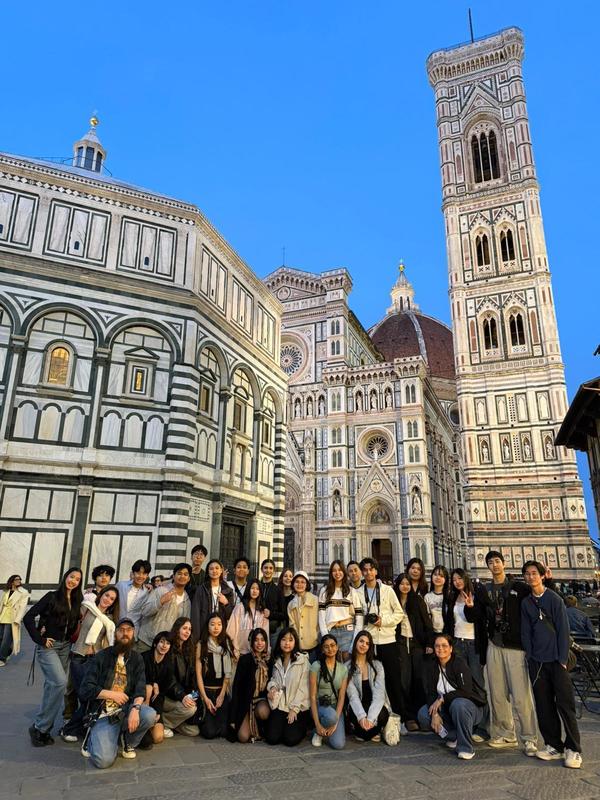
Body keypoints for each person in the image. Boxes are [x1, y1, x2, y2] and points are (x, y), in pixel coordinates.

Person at [521, 560, 582, 768]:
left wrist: (563, 659)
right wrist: (530, 656)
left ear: (542, 575)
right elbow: (526, 632)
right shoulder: (527, 603)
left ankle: (573, 749)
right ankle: (553, 745)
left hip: (557, 661)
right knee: (544, 706)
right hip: (537, 662)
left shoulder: (554, 599)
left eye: (533, 573)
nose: (530, 577)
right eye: (527, 574)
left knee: (565, 705)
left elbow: (564, 631)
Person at [480, 550, 538, 755]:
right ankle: (506, 734)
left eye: (497, 561)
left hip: (515, 647)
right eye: (490, 562)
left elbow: (537, 598)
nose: (494, 565)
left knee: (521, 695)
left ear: (504, 564)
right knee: (497, 693)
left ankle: (530, 737)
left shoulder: (519, 588)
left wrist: (546, 581)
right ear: (487, 566)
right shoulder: (484, 589)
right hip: (494, 645)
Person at [79, 617, 157, 768]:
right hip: (104, 712)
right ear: (115, 634)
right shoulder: (102, 656)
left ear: (133, 634)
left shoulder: (136, 658)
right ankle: (93, 737)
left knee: (149, 715)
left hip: (126, 709)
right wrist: (112, 694)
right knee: (103, 761)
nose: (125, 634)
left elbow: (140, 688)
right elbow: (85, 688)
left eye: (129, 631)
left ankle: (127, 740)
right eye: (121, 631)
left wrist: (135, 708)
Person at [24, 568, 83, 746]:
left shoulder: (77, 600)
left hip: (65, 647)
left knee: (52, 686)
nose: (73, 581)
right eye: (71, 577)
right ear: (65, 577)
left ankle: (41, 728)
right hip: (48, 646)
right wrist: (39, 638)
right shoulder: (51, 596)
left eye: (77, 579)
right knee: (59, 683)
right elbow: (28, 617)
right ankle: (41, 727)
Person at [61, 584, 120, 741]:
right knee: (83, 694)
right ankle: (69, 727)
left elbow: (108, 642)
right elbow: (68, 619)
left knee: (89, 696)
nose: (108, 600)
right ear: (101, 595)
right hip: (79, 656)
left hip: (95, 659)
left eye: (112, 599)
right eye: (107, 596)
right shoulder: (86, 608)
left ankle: (76, 727)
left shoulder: (110, 621)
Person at [418, 633, 487, 760]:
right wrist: (435, 714)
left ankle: (466, 748)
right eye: (437, 646)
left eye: (444, 645)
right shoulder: (431, 666)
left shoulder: (459, 664)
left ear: (451, 648)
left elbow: (465, 692)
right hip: (446, 710)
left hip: (468, 708)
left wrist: (442, 698)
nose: (441, 649)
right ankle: (453, 736)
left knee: (458, 704)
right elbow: (430, 693)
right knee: (423, 714)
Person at [358, 557, 404, 720]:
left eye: (371, 569)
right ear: (362, 572)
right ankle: (377, 717)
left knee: (393, 679)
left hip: (387, 640)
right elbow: (356, 618)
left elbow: (399, 613)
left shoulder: (387, 590)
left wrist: (383, 621)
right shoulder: (357, 592)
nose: (368, 572)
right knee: (372, 680)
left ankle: (399, 717)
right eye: (365, 569)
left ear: (376, 571)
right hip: (368, 643)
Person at [393, 573, 434, 731]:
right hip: (401, 643)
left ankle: (420, 715)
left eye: (407, 584)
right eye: (402, 583)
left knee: (418, 679)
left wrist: (429, 643)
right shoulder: (393, 601)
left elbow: (427, 624)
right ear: (397, 585)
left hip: (417, 644)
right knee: (404, 679)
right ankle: (407, 717)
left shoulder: (417, 601)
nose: (405, 586)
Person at [265, 627, 310, 746]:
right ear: (279, 641)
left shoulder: (302, 660)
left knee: (290, 740)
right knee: (271, 739)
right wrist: (272, 687)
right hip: (281, 705)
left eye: (290, 640)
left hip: (298, 707)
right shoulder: (277, 660)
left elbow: (304, 687)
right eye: (284, 640)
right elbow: (274, 679)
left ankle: (301, 728)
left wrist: (294, 709)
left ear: (295, 642)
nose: (287, 643)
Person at [444, 568, 487, 685]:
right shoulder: (452, 597)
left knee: (476, 679)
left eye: (459, 578)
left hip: (473, 643)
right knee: (461, 679)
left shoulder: (475, 595)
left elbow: (474, 619)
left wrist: (470, 607)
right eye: (454, 580)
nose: (457, 582)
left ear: (465, 578)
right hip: (457, 642)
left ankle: (481, 703)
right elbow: (449, 621)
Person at [227, 627, 271, 742]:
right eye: (256, 640)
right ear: (252, 642)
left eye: (262, 640)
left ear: (266, 642)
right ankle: (248, 724)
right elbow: (236, 688)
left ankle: (260, 726)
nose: (259, 643)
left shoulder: (269, 661)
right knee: (243, 737)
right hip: (245, 702)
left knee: (263, 712)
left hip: (261, 700)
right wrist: (232, 717)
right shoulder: (245, 660)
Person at [346, 630, 390, 742]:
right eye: (361, 641)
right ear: (356, 642)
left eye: (367, 643)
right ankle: (369, 732)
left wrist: (370, 719)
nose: (363, 645)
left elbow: (379, 695)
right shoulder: (346, 667)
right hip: (357, 706)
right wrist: (361, 717)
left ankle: (370, 730)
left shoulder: (377, 666)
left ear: (370, 647)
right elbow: (352, 696)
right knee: (363, 734)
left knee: (382, 715)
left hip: (375, 706)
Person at [137, 563, 192, 652]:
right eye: (179, 573)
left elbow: (183, 626)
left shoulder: (187, 601)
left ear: (189, 578)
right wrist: (160, 602)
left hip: (167, 646)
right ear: (173, 576)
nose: (182, 576)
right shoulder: (161, 590)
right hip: (148, 642)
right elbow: (145, 611)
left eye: (185, 574)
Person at [195, 614, 233, 739]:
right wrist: (205, 698)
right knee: (209, 733)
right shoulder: (202, 644)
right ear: (207, 626)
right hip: (206, 691)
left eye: (219, 624)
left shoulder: (226, 643)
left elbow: (228, 674)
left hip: (220, 692)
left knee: (224, 732)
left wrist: (222, 695)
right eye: (212, 624)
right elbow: (199, 675)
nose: (216, 627)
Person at [318, 561, 364, 659]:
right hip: (331, 631)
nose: (337, 573)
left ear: (344, 572)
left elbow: (359, 616)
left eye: (340, 570)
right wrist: (325, 637)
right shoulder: (324, 591)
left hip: (347, 631)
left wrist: (355, 639)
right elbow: (321, 617)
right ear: (331, 573)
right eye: (334, 570)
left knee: (347, 665)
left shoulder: (351, 591)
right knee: (332, 665)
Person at [161, 617, 199, 736]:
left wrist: (193, 695)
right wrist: (183, 696)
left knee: (194, 731)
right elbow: (169, 680)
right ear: (177, 629)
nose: (187, 632)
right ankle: (163, 723)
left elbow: (192, 677)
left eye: (190, 629)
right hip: (167, 696)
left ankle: (172, 723)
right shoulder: (169, 647)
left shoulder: (189, 649)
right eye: (184, 628)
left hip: (180, 695)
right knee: (190, 709)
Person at [309, 634, 348, 749]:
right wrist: (317, 723)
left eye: (332, 645)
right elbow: (312, 696)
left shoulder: (343, 669)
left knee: (339, 744)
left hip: (335, 707)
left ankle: (325, 728)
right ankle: (318, 731)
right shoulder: (316, 666)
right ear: (322, 649)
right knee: (331, 716)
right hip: (320, 706)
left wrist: (335, 724)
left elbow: (341, 697)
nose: (330, 649)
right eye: (326, 647)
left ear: (337, 647)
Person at [142, 630, 173, 743]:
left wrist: (158, 712)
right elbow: (138, 681)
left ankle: (150, 726)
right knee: (148, 687)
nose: (164, 646)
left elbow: (162, 693)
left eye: (168, 643)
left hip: (156, 701)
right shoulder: (143, 658)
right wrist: (152, 683)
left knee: (158, 738)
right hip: (141, 699)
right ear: (155, 643)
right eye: (162, 642)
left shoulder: (169, 665)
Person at [191, 559, 234, 641]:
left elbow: (231, 615)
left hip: (221, 630)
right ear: (208, 571)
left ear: (221, 570)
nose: (214, 571)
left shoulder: (228, 590)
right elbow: (195, 614)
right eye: (211, 569)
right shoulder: (201, 589)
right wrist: (196, 637)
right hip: (204, 630)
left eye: (217, 568)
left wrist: (226, 603)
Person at [227, 579, 268, 659]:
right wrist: (235, 650)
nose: (255, 591)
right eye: (252, 588)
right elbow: (231, 630)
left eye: (257, 589)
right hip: (240, 653)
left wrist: (266, 651)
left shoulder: (262, 611)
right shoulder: (240, 607)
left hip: (257, 655)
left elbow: (265, 633)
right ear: (248, 589)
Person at [287, 571, 319, 659]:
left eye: (302, 582)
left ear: (307, 584)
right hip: (298, 647)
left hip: (314, 645)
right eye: (297, 582)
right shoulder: (291, 604)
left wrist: (316, 635)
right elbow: (292, 625)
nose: (299, 584)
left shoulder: (316, 600)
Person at [115, 560, 152, 633]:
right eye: (138, 573)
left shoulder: (147, 592)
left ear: (147, 575)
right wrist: (92, 590)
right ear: (133, 573)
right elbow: (108, 594)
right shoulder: (121, 585)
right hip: (116, 627)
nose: (141, 576)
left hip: (133, 630)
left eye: (144, 573)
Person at [0, 574, 29, 665]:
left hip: (12, 618)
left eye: (20, 579)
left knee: (6, 639)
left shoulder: (23, 592)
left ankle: (2, 658)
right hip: (2, 616)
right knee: (0, 638)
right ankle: (7, 651)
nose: (19, 581)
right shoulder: (6, 591)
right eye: (16, 579)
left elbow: (23, 607)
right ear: (12, 581)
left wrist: (18, 619)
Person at [260, 558, 286, 641]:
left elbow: (283, 614)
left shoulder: (278, 590)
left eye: (271, 568)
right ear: (261, 569)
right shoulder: (256, 587)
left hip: (273, 630)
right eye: (265, 568)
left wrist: (271, 614)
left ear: (274, 571)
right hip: (257, 628)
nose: (268, 570)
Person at [424, 566, 450, 634]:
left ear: (446, 579)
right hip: (433, 633)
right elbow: (427, 617)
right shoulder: (427, 597)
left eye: (441, 576)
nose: (438, 577)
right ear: (432, 577)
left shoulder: (449, 596)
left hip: (447, 633)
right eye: (435, 574)